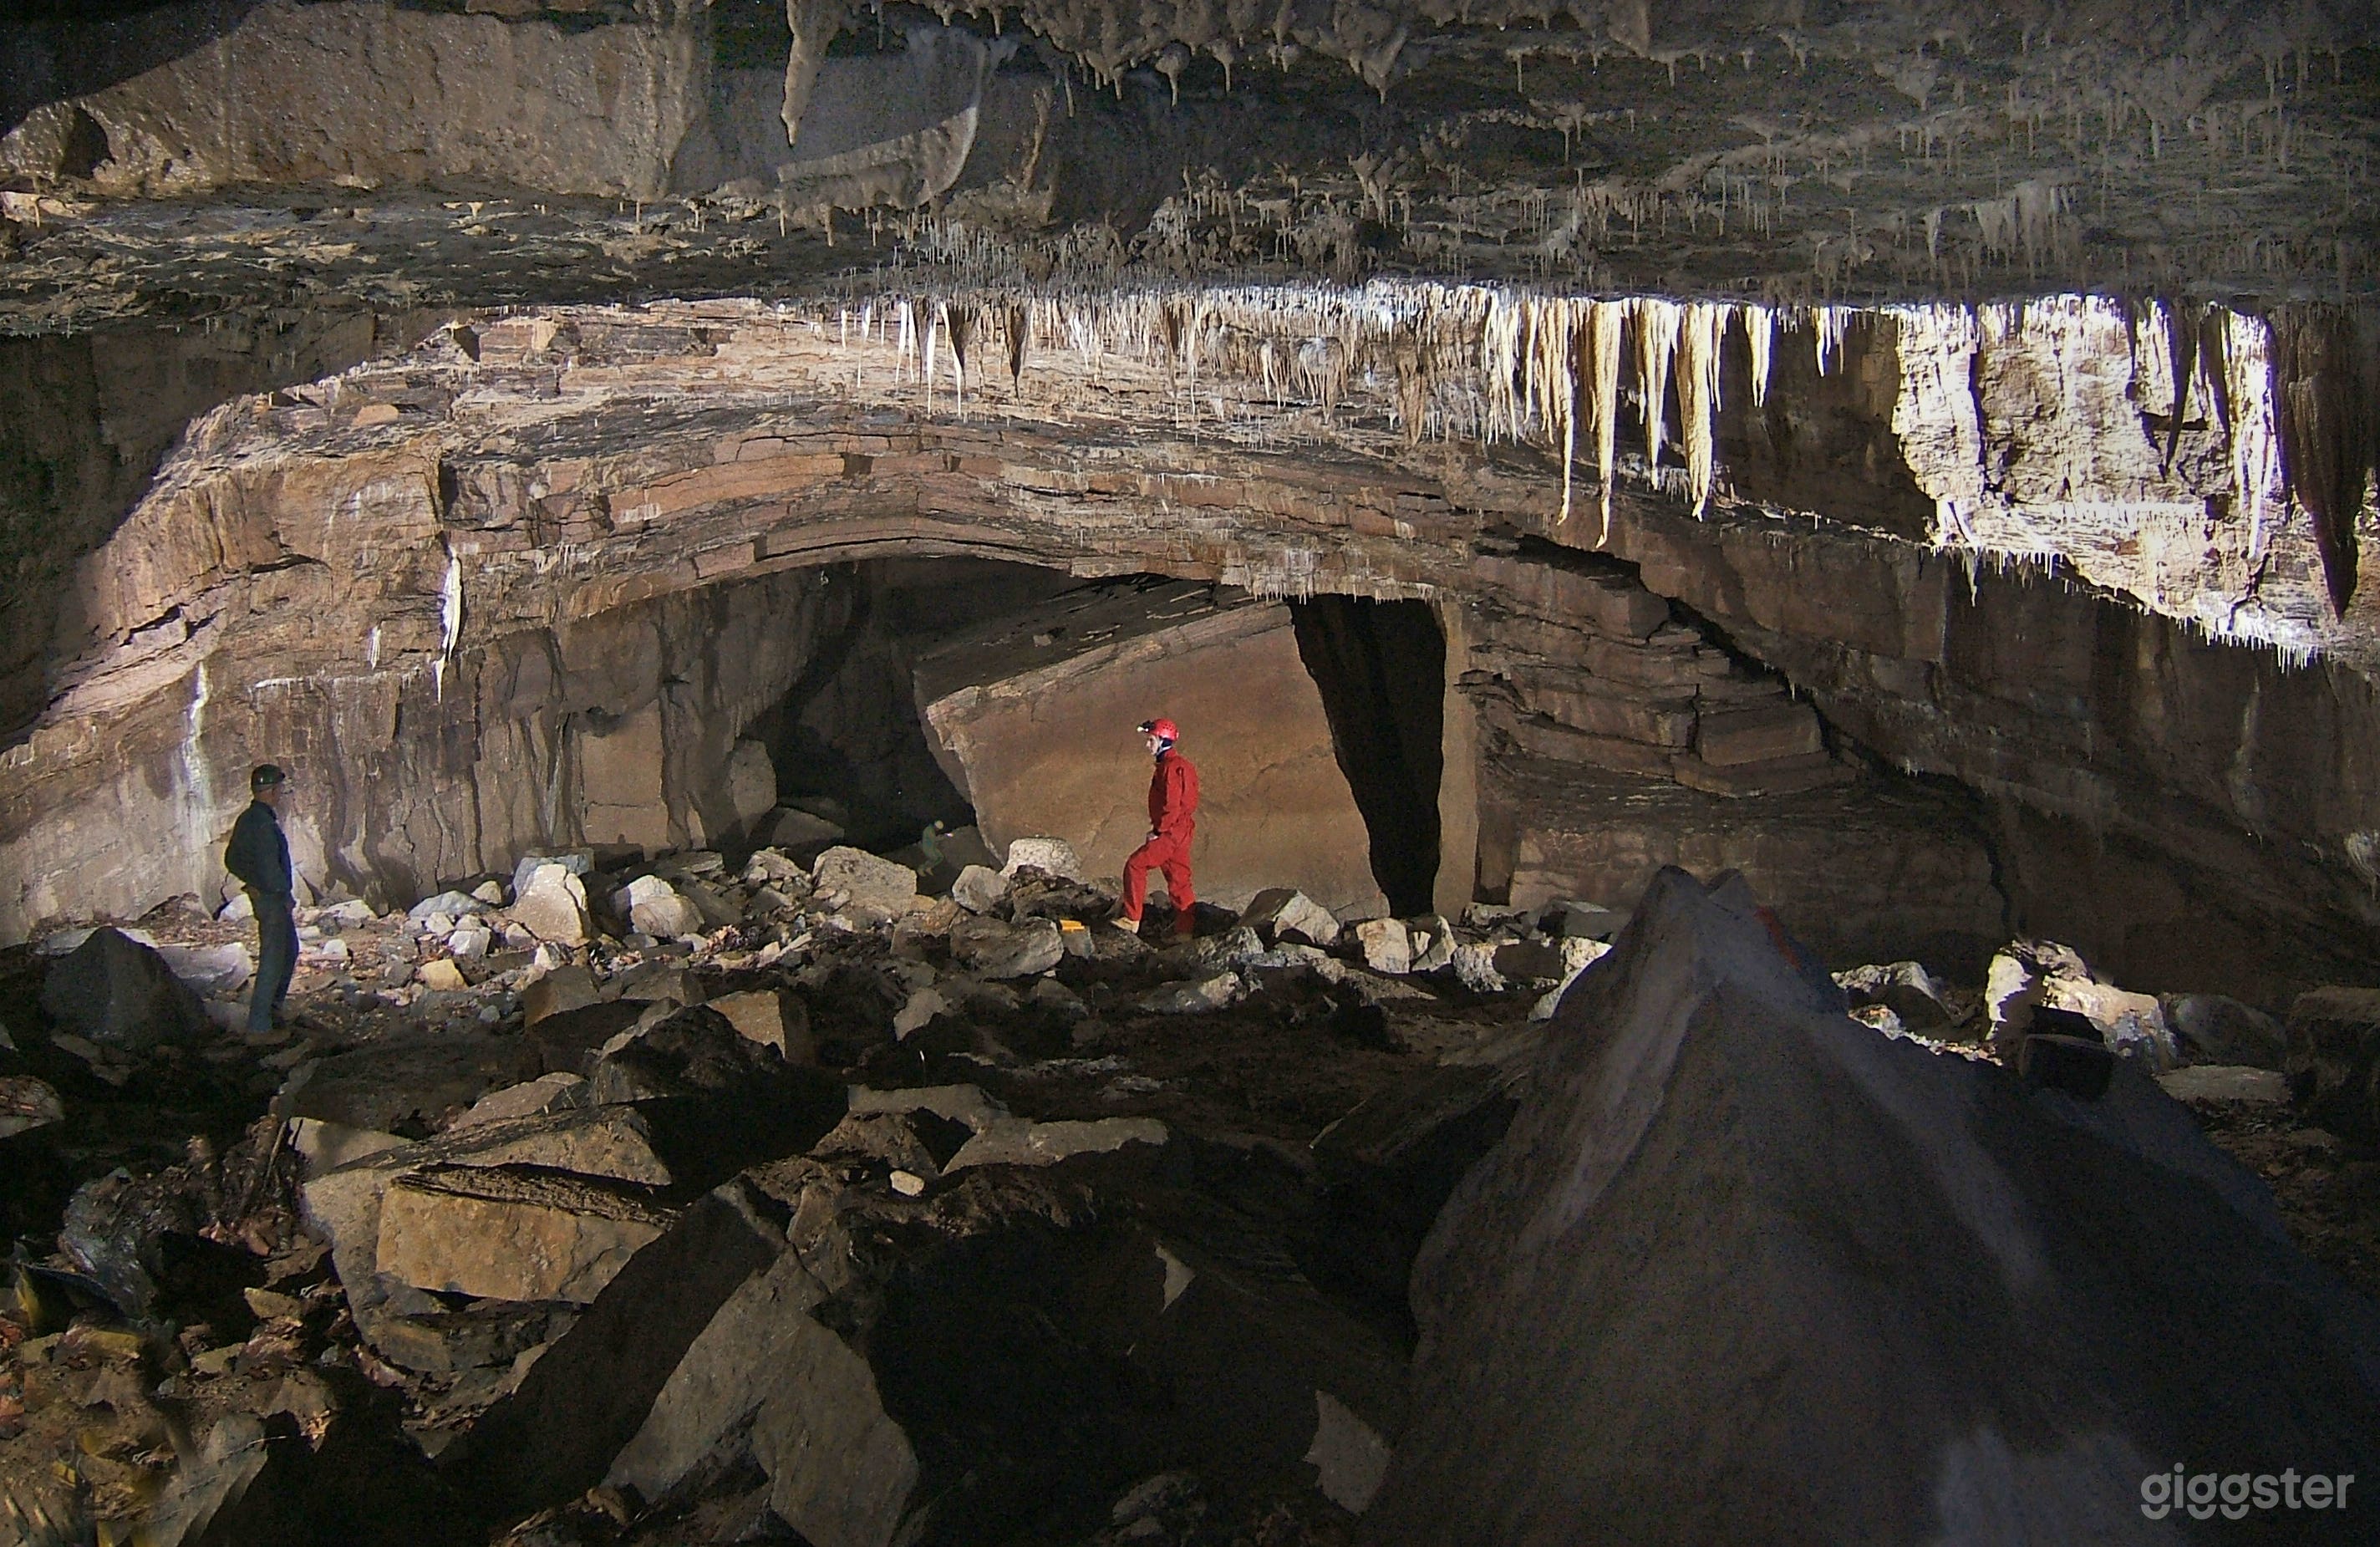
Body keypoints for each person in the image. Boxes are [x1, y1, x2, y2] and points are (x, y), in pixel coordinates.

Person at [225, 763, 298, 1034]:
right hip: (273, 900)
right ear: (269, 791)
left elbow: (231, 859)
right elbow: (270, 866)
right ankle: (259, 1027)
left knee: (289, 950)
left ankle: (273, 1011)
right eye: (278, 788)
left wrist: (251, 882)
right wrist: (281, 894)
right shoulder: (264, 825)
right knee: (274, 957)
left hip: (265, 895)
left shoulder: (248, 819)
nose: (280, 793)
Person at [1117, 717, 1199, 938]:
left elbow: (1171, 804)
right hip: (1182, 830)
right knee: (1179, 880)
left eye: (1151, 740)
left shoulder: (1171, 768)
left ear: (1163, 740)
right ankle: (1184, 932)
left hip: (1170, 831)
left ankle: (1131, 919)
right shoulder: (1181, 766)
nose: (1147, 745)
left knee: (1135, 865)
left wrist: (1158, 831)